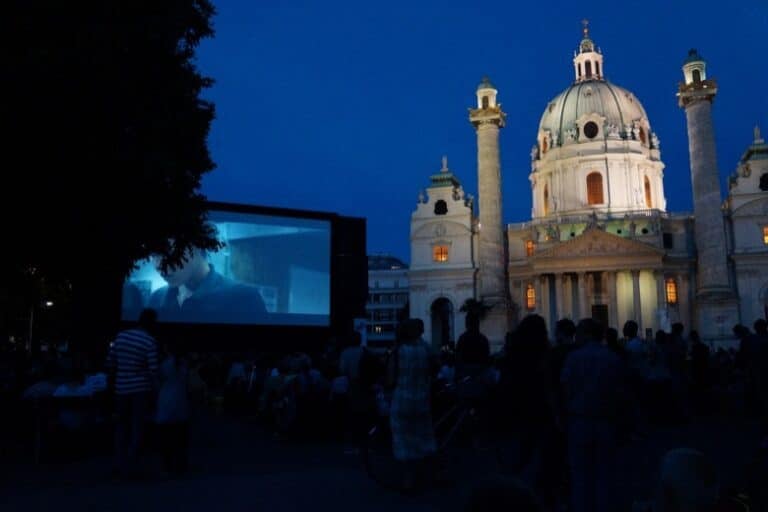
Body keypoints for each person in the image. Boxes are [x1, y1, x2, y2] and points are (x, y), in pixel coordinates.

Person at [105, 308, 159, 478]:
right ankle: (131, 462)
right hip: (140, 389)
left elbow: (110, 363)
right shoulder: (149, 341)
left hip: (121, 388)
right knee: (137, 426)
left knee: (120, 426)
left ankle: (118, 462)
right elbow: (153, 370)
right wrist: (156, 392)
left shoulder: (121, 337)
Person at [147, 247, 267, 323]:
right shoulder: (156, 299)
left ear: (197, 247)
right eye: (153, 255)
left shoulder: (245, 297)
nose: (158, 265)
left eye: (169, 251)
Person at [388, 318, 438, 492]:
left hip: (402, 399)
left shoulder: (398, 349)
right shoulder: (426, 348)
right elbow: (435, 367)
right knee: (423, 436)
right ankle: (427, 476)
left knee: (403, 439)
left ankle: (408, 480)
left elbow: (391, 378)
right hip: (421, 399)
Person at [155, 340, 190, 476]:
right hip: (181, 402)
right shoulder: (183, 364)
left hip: (165, 402)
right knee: (180, 437)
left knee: (165, 437)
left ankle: (166, 466)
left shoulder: (163, 365)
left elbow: (157, 381)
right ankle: (180, 465)